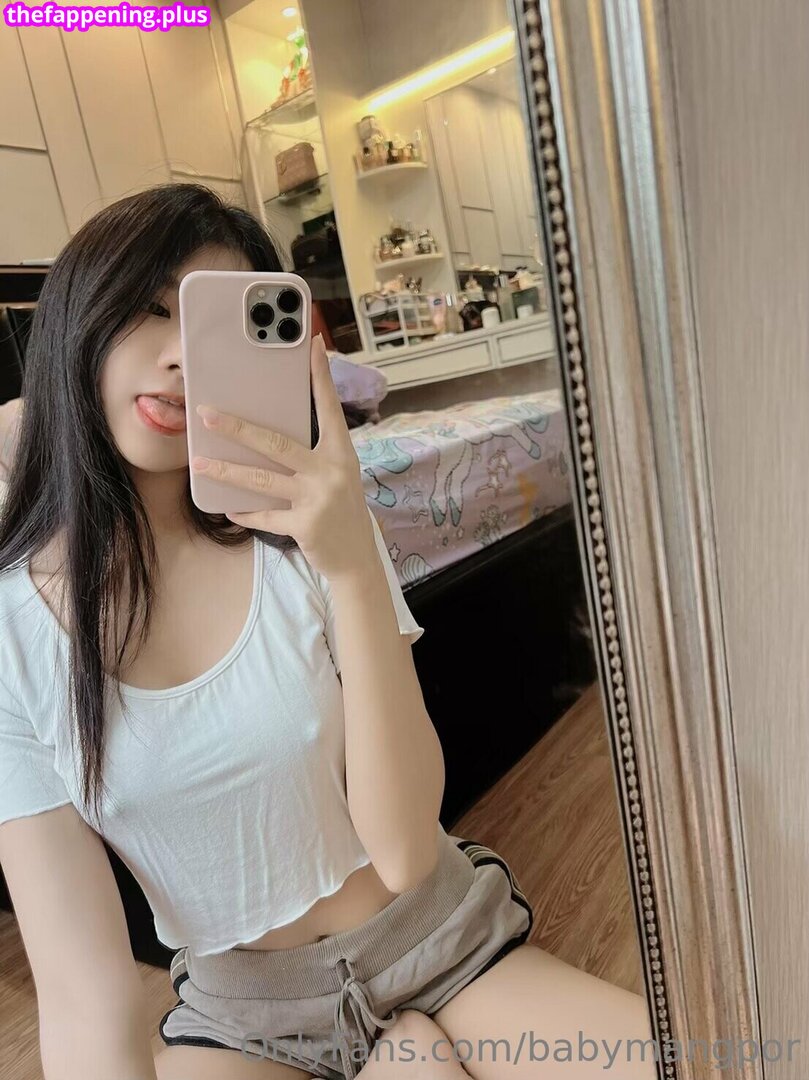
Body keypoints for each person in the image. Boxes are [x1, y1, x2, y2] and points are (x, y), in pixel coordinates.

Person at [0, 183, 656, 1080]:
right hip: (244, 1014)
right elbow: (85, 1000)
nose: (181, 358)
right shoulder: (15, 632)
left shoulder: (309, 529)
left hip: (432, 939)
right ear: (77, 321)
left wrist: (348, 561)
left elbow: (405, 847)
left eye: (213, 327)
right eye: (150, 311)